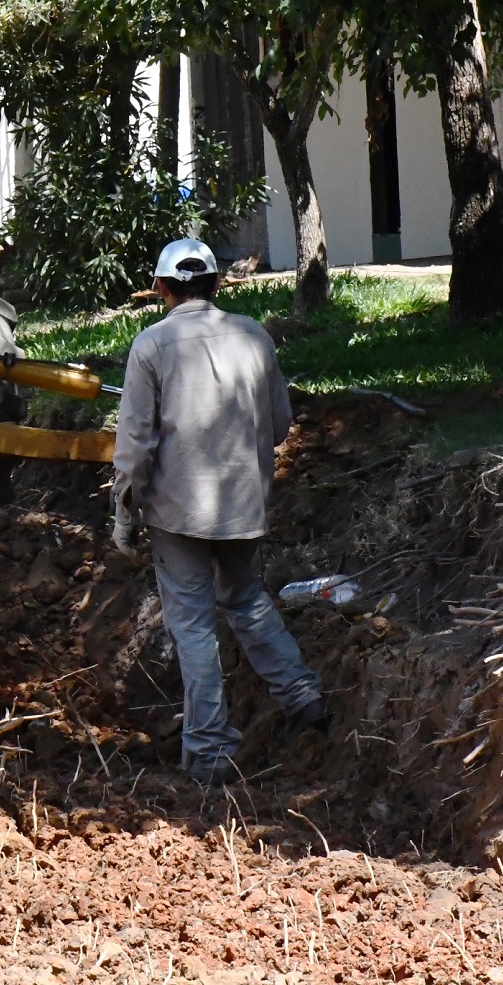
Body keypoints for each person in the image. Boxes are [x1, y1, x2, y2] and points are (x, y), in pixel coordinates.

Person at [109, 238, 329, 787]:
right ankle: (302, 694)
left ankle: (209, 749)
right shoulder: (254, 336)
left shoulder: (150, 346)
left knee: (191, 623)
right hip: (243, 502)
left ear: (161, 288)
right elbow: (279, 425)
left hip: (177, 511)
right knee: (245, 598)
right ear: (216, 284)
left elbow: (135, 444)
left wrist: (124, 512)